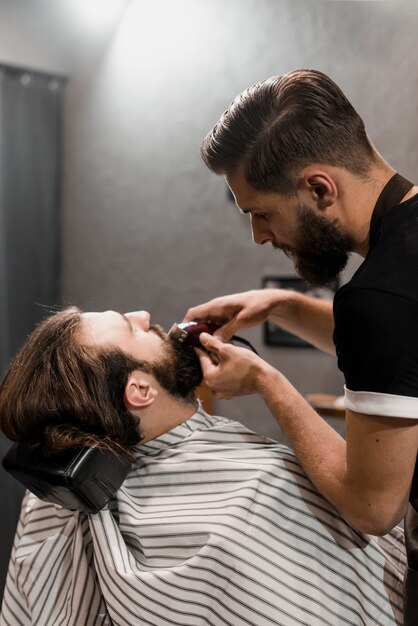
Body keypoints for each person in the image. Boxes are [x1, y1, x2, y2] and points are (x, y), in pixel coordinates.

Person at [183, 69, 418, 623]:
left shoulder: (380, 298)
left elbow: (372, 505)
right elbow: (406, 348)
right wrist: (282, 307)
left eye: (260, 213)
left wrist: (268, 382)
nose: (260, 236)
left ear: (318, 188)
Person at [0, 307, 407, 626]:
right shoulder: (258, 492)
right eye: (131, 328)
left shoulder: (49, 503)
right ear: (140, 390)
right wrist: (268, 379)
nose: (144, 316)